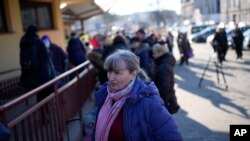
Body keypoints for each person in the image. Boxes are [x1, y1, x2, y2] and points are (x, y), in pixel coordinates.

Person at [92, 50, 183, 141]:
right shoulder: (105, 94)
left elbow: (171, 136)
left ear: (133, 73)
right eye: (109, 71)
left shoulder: (149, 102)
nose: (111, 78)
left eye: (117, 73)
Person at [19, 25, 55, 96]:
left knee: (39, 93)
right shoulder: (38, 42)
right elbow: (45, 57)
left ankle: (42, 106)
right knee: (45, 93)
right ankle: (45, 106)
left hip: (28, 75)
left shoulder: (23, 42)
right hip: (41, 73)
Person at [152, 43, 180, 114]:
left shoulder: (163, 66)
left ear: (160, 53)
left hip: (166, 101)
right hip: (166, 99)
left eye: (154, 53)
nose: (153, 55)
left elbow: (165, 87)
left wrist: (161, 103)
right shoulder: (163, 62)